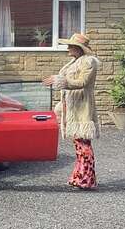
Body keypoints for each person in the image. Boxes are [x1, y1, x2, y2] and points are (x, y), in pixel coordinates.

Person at [43, 33, 101, 190]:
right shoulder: (75, 62)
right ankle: (79, 176)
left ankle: (87, 179)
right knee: (78, 145)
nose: (68, 48)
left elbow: (83, 82)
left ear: (78, 48)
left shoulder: (89, 62)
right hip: (72, 107)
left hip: (82, 107)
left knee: (83, 144)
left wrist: (61, 81)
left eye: (70, 46)